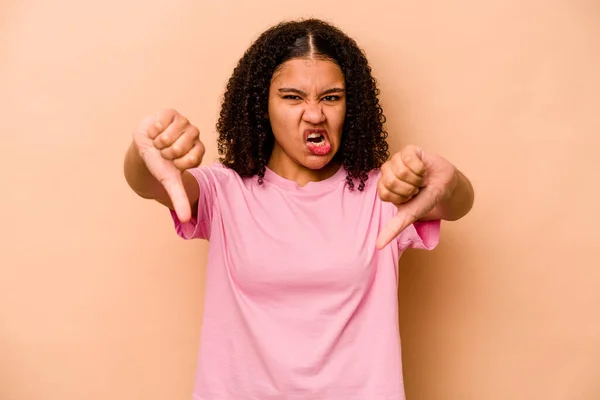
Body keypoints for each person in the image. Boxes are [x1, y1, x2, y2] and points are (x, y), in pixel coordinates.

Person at [124, 18, 474, 400]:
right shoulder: (225, 190)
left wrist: (452, 181)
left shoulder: (383, 193)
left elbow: (454, 203)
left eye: (331, 97)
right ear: (263, 104)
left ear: (350, 106)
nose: (315, 114)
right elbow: (148, 182)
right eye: (292, 97)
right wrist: (144, 153)